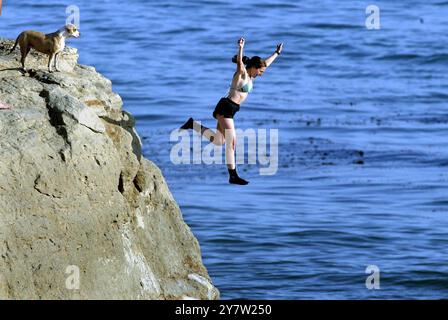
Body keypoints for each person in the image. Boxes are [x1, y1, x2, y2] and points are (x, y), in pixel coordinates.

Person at [180, 37, 283, 185]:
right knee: (232, 140)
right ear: (253, 67)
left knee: (218, 140)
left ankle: (193, 125)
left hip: (232, 110)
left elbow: (266, 63)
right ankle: (233, 175)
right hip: (225, 107)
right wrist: (241, 47)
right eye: (260, 71)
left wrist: (277, 53)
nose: (261, 73)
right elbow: (240, 62)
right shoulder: (241, 74)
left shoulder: (252, 76)